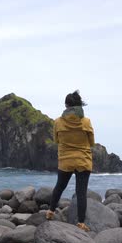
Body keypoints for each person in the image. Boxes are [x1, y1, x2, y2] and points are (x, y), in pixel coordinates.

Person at [45, 90, 95, 232]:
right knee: (81, 192)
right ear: (79, 105)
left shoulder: (58, 122)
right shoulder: (86, 122)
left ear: (66, 105)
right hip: (83, 160)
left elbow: (56, 140)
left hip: (65, 160)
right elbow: (91, 142)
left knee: (59, 187)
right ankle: (80, 223)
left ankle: (50, 212)